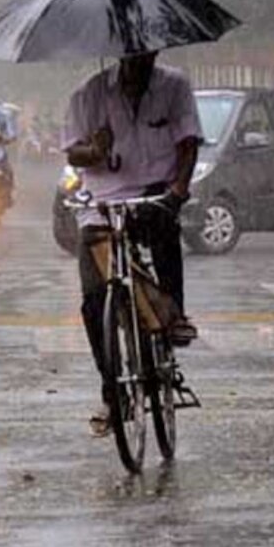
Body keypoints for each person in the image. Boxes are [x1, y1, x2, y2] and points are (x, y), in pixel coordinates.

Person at [64, 51, 201, 436]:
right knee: (93, 299)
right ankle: (112, 393)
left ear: (154, 53)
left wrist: (177, 191)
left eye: (144, 55)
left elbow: (189, 144)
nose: (136, 64)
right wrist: (94, 151)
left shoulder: (174, 86)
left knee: (164, 234)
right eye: (129, 56)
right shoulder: (88, 94)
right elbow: (73, 152)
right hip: (102, 203)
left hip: (154, 194)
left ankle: (174, 316)